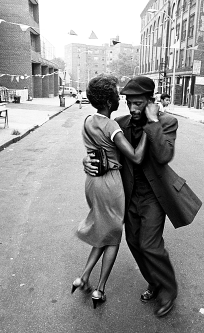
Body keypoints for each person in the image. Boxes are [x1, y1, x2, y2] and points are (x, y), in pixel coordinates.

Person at [83, 76, 202, 317]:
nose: (133, 108)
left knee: (150, 244)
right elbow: (103, 152)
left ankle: (169, 290)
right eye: (129, 103)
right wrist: (87, 161)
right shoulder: (119, 122)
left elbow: (164, 155)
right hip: (126, 195)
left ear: (150, 101)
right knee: (134, 244)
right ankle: (154, 281)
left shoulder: (167, 122)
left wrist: (153, 121)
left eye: (138, 103)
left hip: (154, 196)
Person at [72, 74, 148, 309]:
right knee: (113, 237)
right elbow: (135, 156)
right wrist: (148, 130)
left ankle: (83, 277)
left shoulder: (87, 120)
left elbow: (93, 150)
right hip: (110, 184)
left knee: (104, 230)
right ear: (107, 101)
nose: (119, 98)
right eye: (115, 94)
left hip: (92, 182)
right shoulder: (111, 125)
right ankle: (100, 289)